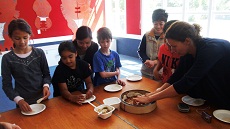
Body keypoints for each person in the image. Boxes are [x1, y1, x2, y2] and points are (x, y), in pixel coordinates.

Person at [134, 21, 230, 110]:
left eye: (174, 46)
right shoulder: (187, 51)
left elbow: (187, 81)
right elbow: (177, 76)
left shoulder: (210, 49)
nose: (172, 50)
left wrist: (150, 99)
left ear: (187, 41)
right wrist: (154, 93)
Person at [1, 19, 51, 112]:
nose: (22, 42)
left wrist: (46, 86)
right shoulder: (7, 59)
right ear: (10, 37)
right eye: (17, 38)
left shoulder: (39, 53)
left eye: (25, 37)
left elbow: (47, 75)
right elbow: (6, 85)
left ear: (29, 35)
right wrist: (18, 100)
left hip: (42, 99)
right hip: (23, 103)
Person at [137, 9, 168, 80]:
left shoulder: (168, 38)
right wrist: (146, 60)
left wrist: (154, 62)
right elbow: (140, 51)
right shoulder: (147, 35)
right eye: (155, 23)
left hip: (161, 72)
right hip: (146, 71)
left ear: (165, 23)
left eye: (161, 24)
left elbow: (167, 57)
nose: (158, 26)